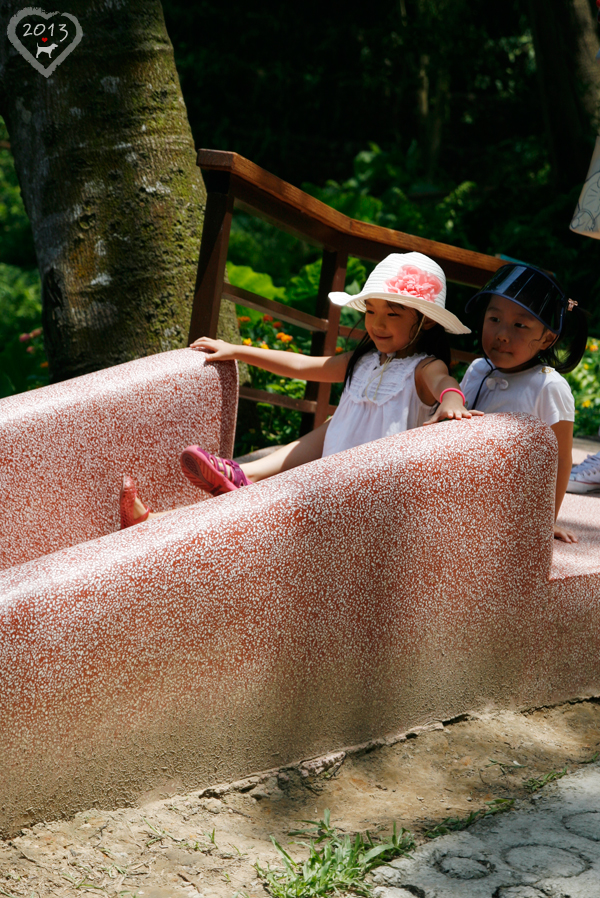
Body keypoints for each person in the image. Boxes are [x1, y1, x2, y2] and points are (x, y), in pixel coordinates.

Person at [120, 252, 480, 528]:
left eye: (394, 314)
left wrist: (451, 402)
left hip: (369, 500)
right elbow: (304, 366)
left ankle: (234, 481)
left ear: (427, 320)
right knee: (250, 506)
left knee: (256, 512)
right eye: (370, 312)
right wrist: (237, 350)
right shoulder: (366, 361)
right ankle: (163, 519)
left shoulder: (422, 368)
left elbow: (444, 382)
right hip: (328, 478)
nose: (377, 324)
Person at [460, 263, 587, 544]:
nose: (502, 334)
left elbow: (562, 459)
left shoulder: (547, 386)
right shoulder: (478, 370)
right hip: (465, 500)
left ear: (548, 338)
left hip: (511, 513)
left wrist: (546, 520)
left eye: (520, 325)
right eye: (494, 319)